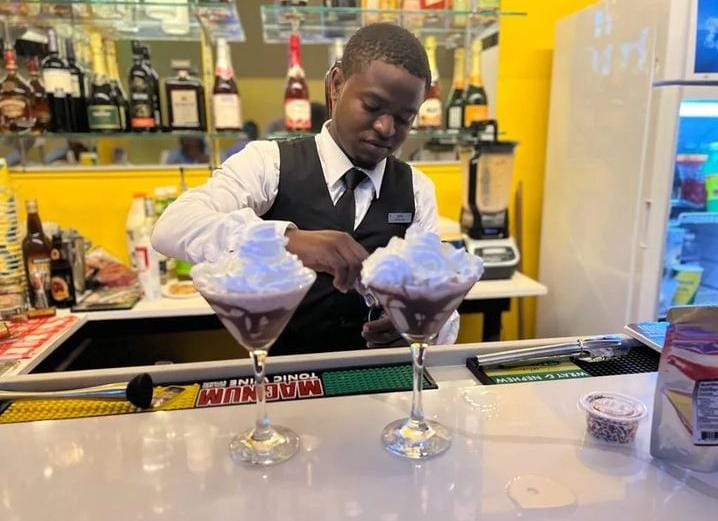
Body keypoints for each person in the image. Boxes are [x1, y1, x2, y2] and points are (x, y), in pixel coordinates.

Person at [152, 23, 460, 355]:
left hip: (382, 377)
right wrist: (285, 242)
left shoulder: (416, 189)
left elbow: (439, 304)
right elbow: (172, 226)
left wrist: (422, 323)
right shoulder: (269, 162)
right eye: (372, 106)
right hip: (288, 376)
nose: (386, 128)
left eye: (404, 118)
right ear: (336, 84)